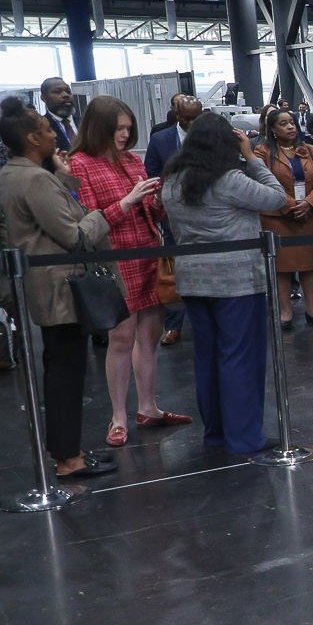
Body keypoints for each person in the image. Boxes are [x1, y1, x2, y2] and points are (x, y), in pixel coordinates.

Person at [0, 97, 118, 478]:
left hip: (46, 285)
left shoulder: (17, 174)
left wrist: (62, 179)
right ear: (33, 137)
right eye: (49, 130)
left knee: (63, 370)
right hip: (59, 288)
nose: (55, 135)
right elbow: (73, 235)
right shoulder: (33, 179)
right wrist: (106, 214)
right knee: (65, 372)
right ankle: (68, 458)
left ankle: (70, 449)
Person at [161, 114, 289, 456]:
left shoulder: (172, 182)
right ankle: (244, 438)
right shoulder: (230, 179)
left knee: (207, 358)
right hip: (236, 281)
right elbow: (277, 197)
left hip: (193, 280)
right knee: (240, 359)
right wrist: (252, 158)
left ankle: (216, 434)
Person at [71, 96, 191, 447]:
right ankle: (118, 417)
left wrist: (155, 204)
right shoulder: (81, 164)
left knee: (149, 337)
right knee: (121, 339)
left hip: (149, 255)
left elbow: (150, 215)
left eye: (127, 129)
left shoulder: (134, 160)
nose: (124, 135)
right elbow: (88, 221)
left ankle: (148, 407)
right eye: (118, 129)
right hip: (115, 260)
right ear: (100, 128)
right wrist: (128, 201)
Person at [253, 109, 313, 329]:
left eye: (292, 123)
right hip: (278, 217)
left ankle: (312, 309)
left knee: (309, 264)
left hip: (308, 215)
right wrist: (291, 205)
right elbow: (262, 181)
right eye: (284, 123)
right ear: (273, 130)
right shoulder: (262, 151)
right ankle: (285, 312)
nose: (290, 127)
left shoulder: (310, 150)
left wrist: (310, 203)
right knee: (282, 267)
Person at [145, 94, 204, 347]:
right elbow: (151, 171)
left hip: (207, 214)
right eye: (187, 119)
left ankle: (205, 320)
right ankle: (173, 325)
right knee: (175, 270)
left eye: (196, 118)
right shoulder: (160, 139)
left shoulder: (210, 137)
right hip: (173, 215)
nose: (192, 124)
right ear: (177, 116)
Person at [39, 78, 80, 158]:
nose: (65, 95)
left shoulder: (85, 123)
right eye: (57, 92)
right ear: (44, 98)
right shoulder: (40, 127)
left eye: (68, 91)